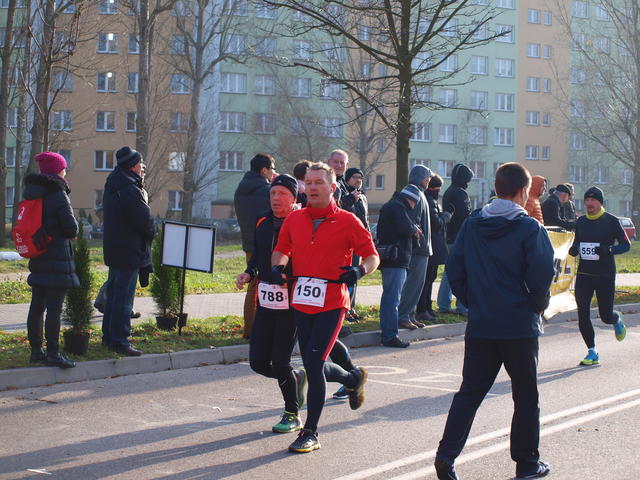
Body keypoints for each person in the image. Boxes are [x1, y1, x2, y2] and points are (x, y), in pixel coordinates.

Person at [434, 163, 555, 480]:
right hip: (519, 326)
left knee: (470, 393)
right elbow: (543, 274)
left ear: (497, 188)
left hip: (482, 323)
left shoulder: (473, 224)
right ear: (524, 191)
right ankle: (527, 464)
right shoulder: (530, 228)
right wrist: (536, 305)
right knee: (525, 396)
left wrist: (473, 301)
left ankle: (446, 456)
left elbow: (455, 270)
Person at [271, 162, 379, 453]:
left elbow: (372, 256)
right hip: (302, 300)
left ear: (332, 187)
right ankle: (353, 377)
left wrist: (359, 271)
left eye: (319, 182)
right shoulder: (294, 219)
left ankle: (310, 432)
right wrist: (277, 268)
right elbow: (281, 250)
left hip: (332, 301)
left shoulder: (348, 221)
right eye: (309, 182)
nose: (312, 187)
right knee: (312, 363)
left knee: (314, 362)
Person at [236, 174, 307, 433]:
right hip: (266, 300)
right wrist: (249, 273)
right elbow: (257, 257)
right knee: (257, 362)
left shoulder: (301, 222)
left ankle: (292, 413)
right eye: (273, 193)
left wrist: (291, 278)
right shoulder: (262, 221)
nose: (276, 198)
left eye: (282, 194)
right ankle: (295, 378)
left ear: (293, 197)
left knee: (280, 361)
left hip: (291, 303)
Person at [24, 152, 79, 369]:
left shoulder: (32, 193)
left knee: (37, 306)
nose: (65, 171)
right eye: (63, 168)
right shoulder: (57, 194)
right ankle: (54, 353)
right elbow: (71, 228)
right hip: (57, 258)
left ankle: (36, 351)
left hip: (38, 254)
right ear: (58, 170)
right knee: (55, 307)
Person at [102, 146, 156, 356]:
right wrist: (154, 230)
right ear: (133, 166)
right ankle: (120, 340)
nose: (142, 168)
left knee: (114, 297)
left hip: (116, 249)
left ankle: (109, 337)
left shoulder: (114, 184)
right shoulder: (129, 188)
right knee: (123, 299)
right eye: (140, 164)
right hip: (129, 250)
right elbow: (144, 221)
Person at [568, 186, 630, 366]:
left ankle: (616, 319)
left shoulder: (611, 221)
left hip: (605, 275)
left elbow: (625, 245)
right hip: (584, 274)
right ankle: (592, 351)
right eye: (587, 200)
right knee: (582, 313)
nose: (589, 203)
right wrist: (574, 248)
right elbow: (578, 241)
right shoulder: (581, 221)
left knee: (605, 316)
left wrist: (608, 250)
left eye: (593, 200)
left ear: (600, 202)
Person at [234, 153, 277, 338]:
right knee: (261, 286)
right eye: (272, 168)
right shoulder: (267, 190)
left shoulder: (241, 188)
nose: (274, 172)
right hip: (265, 244)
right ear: (264, 170)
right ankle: (254, 331)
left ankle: (250, 329)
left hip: (248, 243)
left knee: (252, 285)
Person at [377, 188, 421, 348]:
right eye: (414, 203)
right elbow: (405, 228)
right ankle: (389, 335)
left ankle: (388, 333)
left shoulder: (394, 205)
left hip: (393, 259)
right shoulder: (397, 207)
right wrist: (414, 230)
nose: (414, 206)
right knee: (392, 299)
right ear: (410, 199)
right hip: (395, 259)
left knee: (390, 297)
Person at [397, 165, 432, 329]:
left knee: (417, 284)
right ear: (421, 177)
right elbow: (411, 219)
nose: (428, 181)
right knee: (412, 284)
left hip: (421, 248)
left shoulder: (420, 192)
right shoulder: (413, 192)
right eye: (427, 177)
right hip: (417, 248)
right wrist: (418, 240)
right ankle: (403, 315)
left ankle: (410, 314)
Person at [438, 163, 473, 315]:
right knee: (461, 272)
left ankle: (444, 304)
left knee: (449, 272)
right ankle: (462, 306)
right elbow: (466, 216)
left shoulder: (449, 191)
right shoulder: (460, 193)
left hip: (450, 236)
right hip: (459, 237)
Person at [416, 174, 452, 322]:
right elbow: (436, 223)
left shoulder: (430, 200)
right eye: (438, 188)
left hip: (433, 245)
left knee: (430, 278)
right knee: (427, 279)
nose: (439, 191)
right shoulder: (430, 201)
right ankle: (422, 308)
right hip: (431, 245)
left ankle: (427, 306)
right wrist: (447, 215)